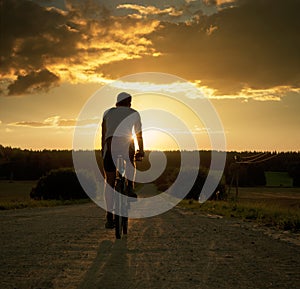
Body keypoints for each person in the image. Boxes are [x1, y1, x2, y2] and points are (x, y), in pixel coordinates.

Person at [101, 92, 144, 229]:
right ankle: (130, 187)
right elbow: (138, 134)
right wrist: (141, 151)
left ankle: (109, 217)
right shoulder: (134, 113)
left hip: (110, 144)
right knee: (131, 161)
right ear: (129, 103)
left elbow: (103, 134)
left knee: (109, 182)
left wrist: (103, 150)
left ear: (117, 102)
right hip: (126, 144)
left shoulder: (107, 113)